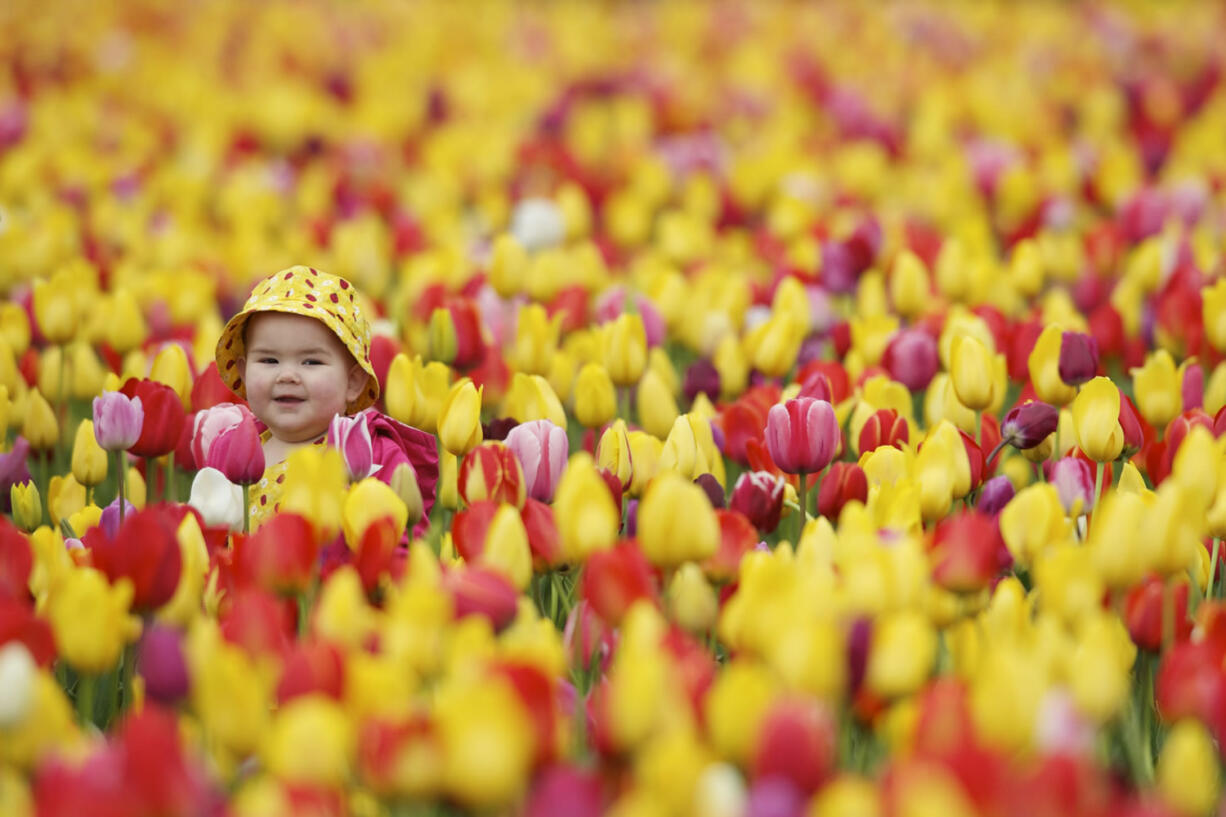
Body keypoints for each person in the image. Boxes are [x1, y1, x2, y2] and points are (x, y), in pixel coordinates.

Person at [214, 265, 438, 532]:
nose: (287, 375)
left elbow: (398, 542)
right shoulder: (235, 449)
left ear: (353, 382)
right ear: (243, 370)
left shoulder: (371, 454)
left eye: (311, 362)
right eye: (269, 360)